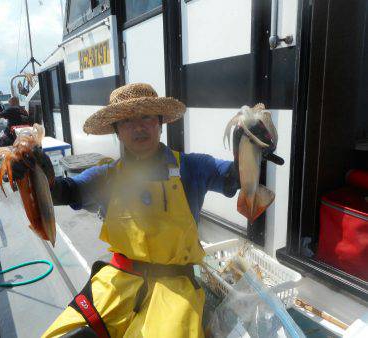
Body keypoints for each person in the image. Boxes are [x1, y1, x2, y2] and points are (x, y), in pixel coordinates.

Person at [12, 83, 241, 337]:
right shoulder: (107, 175)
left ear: (160, 123)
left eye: (146, 117)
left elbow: (233, 177)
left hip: (176, 286)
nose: (139, 127)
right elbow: (68, 191)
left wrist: (250, 146)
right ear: (117, 131)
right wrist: (40, 176)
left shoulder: (193, 167)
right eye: (127, 121)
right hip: (118, 281)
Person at [0, 96, 29, 171]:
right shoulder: (23, 110)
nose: (9, 103)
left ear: (12, 102)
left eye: (9, 102)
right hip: (16, 135)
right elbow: (9, 116)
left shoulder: (11, 109)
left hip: (8, 136)